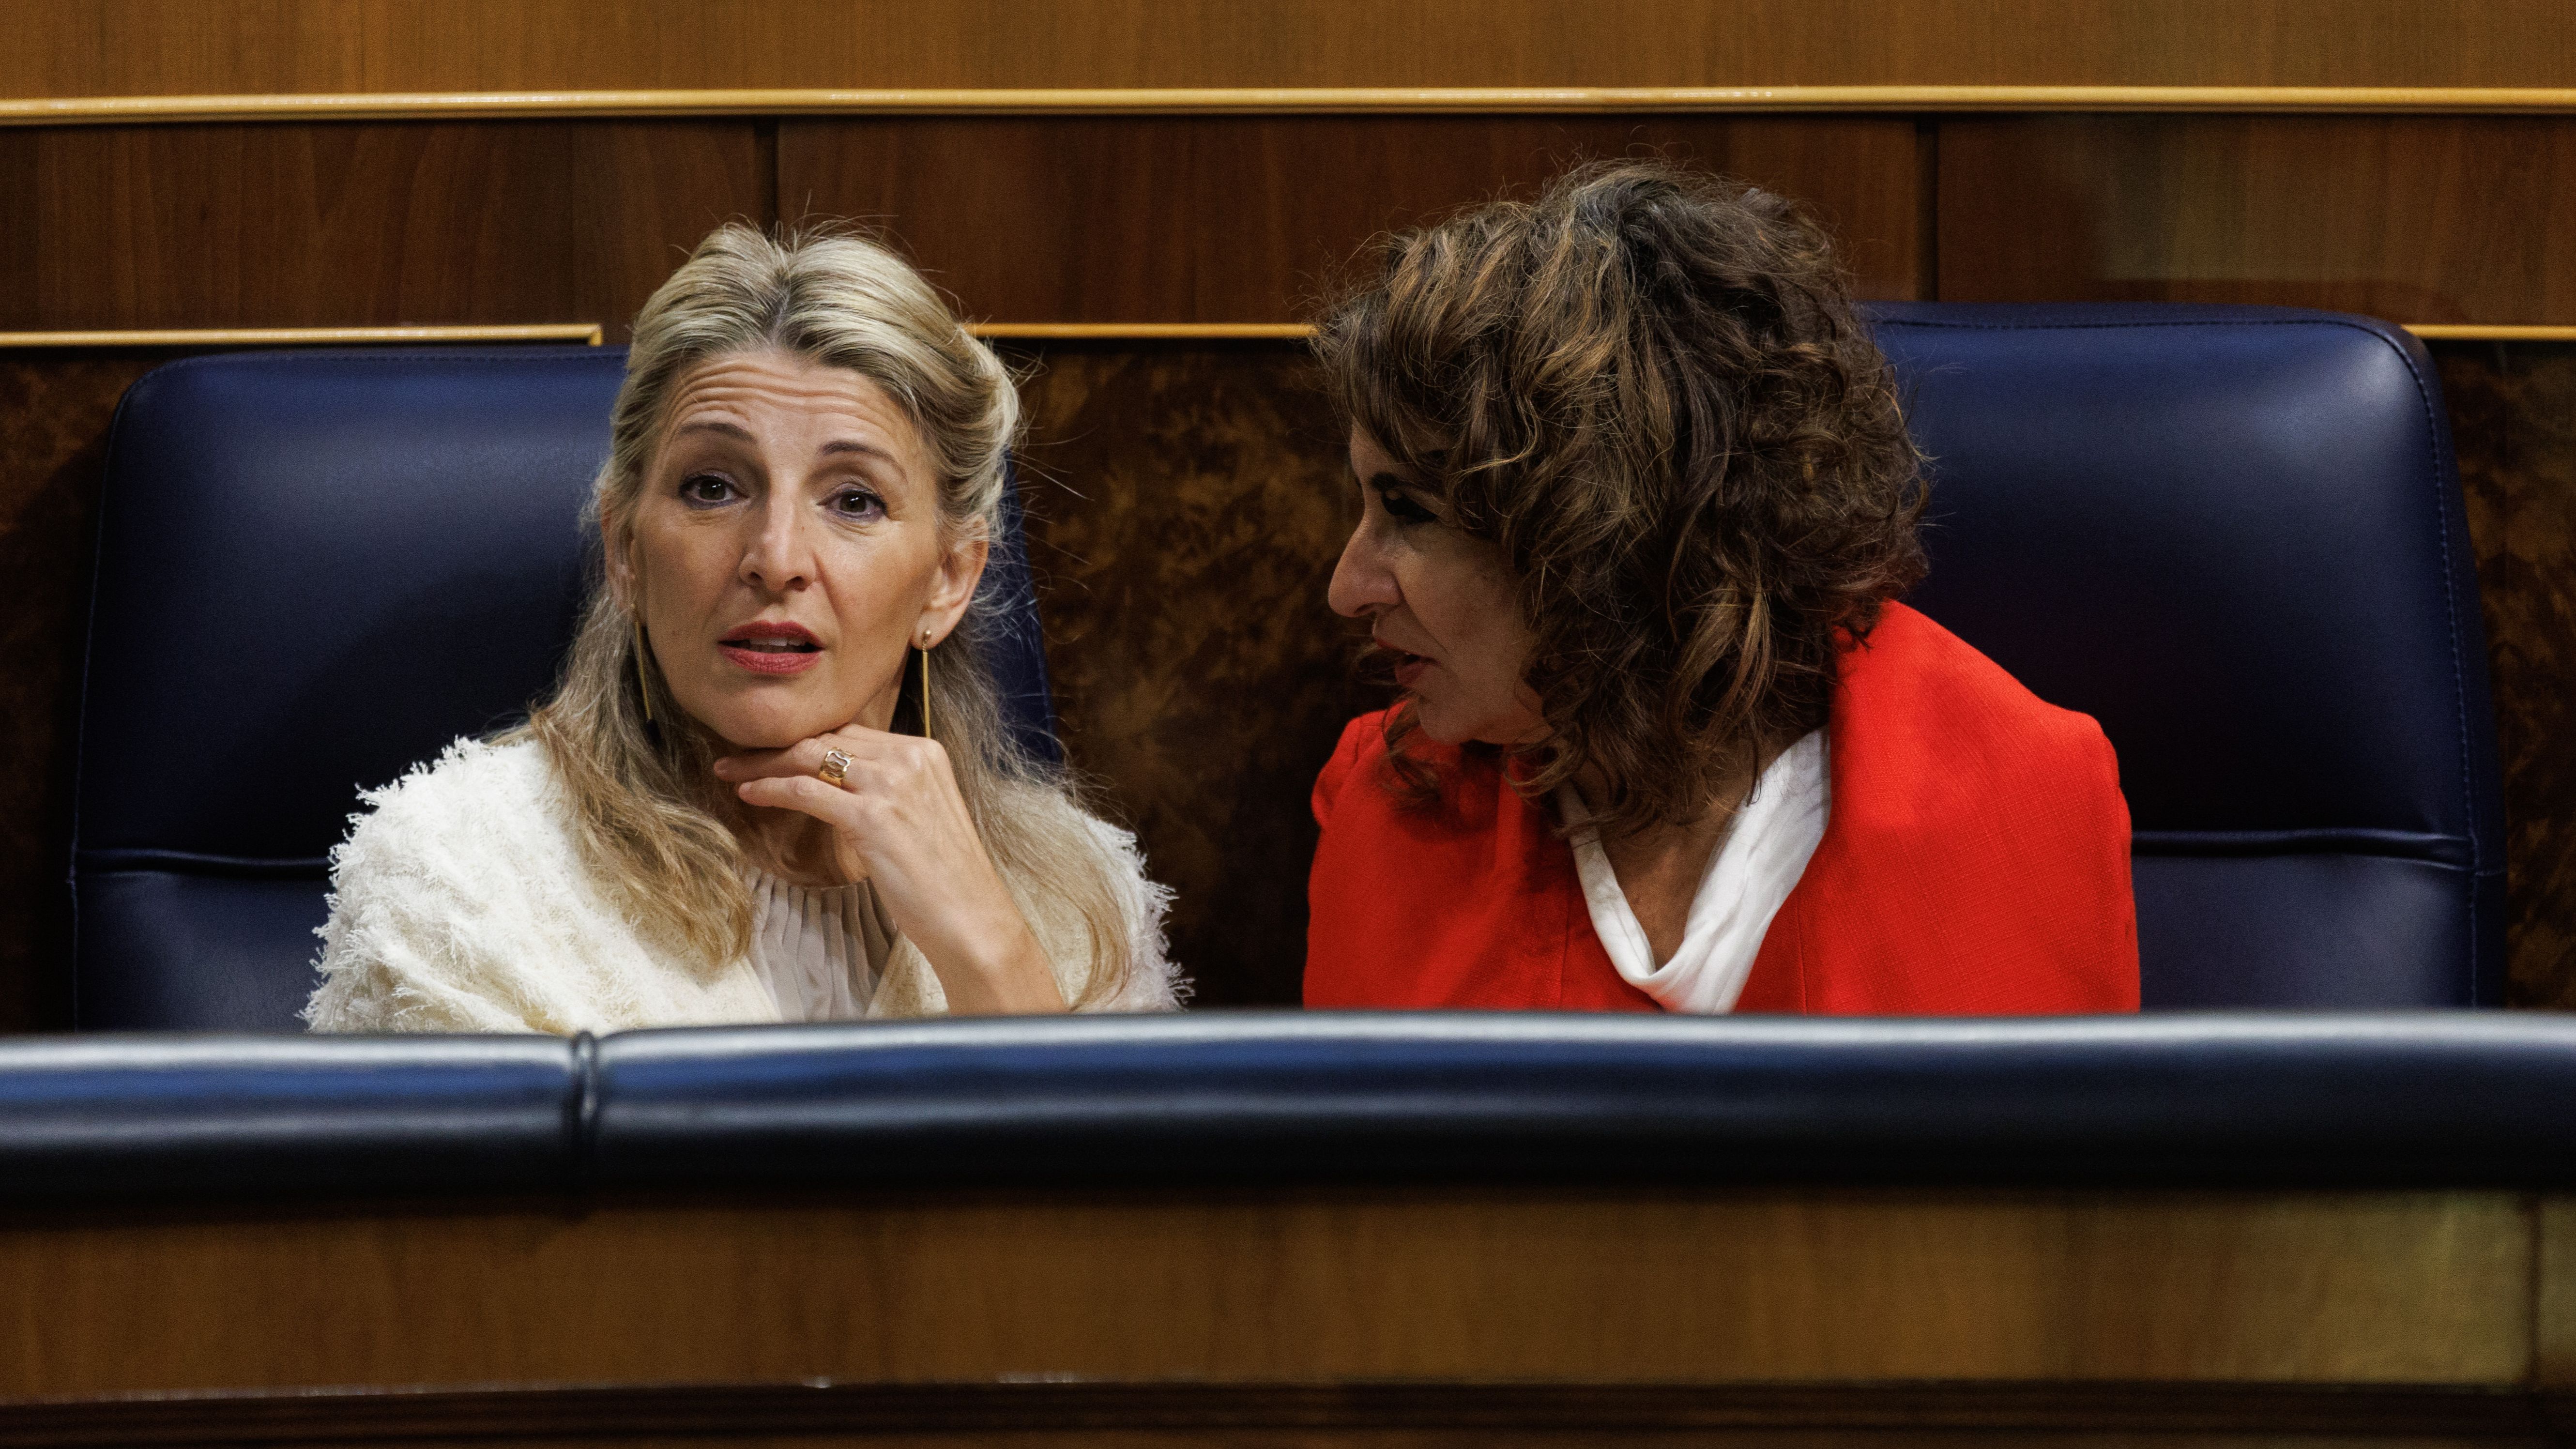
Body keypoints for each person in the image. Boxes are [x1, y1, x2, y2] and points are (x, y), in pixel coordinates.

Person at [1302, 160, 2137, 1014]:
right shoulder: (1387, 811)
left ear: (1603, 527)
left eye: (1409, 510)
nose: (1347, 588)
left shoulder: (2021, 797)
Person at [307, 224, 1180, 1033]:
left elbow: (1113, 1164)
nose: (776, 557)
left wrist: (992, 953)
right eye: (713, 488)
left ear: (948, 579)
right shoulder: (456, 876)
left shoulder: (1080, 898)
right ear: (625, 551)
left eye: (853, 500)